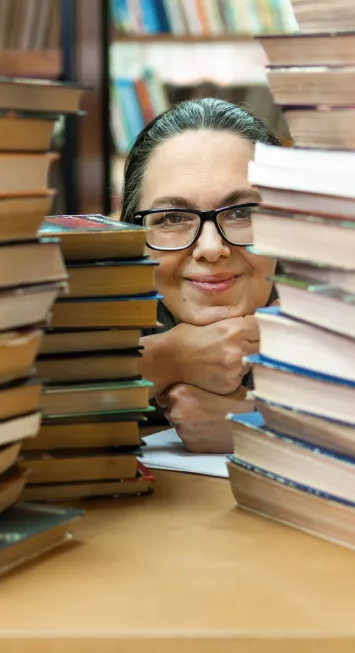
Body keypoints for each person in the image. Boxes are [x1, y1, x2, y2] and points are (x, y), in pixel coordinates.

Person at [121, 98, 280, 453]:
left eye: (242, 212)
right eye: (173, 218)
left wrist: (262, 428)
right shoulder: (76, 322)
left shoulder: (349, 326)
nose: (211, 248)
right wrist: (162, 360)